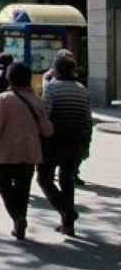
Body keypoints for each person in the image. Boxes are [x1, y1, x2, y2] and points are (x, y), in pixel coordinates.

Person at [0, 63, 53, 240]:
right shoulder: (36, 100)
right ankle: (20, 219)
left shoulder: (4, 98)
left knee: (3, 183)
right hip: (30, 152)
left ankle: (17, 217)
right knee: (24, 188)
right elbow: (47, 130)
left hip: (7, 153)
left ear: (10, 78)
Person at [37, 57, 92, 237]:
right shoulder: (82, 90)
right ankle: (68, 224)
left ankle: (67, 212)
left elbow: (44, 114)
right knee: (67, 179)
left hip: (54, 141)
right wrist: (86, 144)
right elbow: (87, 119)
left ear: (56, 70)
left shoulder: (52, 88)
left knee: (44, 178)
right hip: (76, 140)